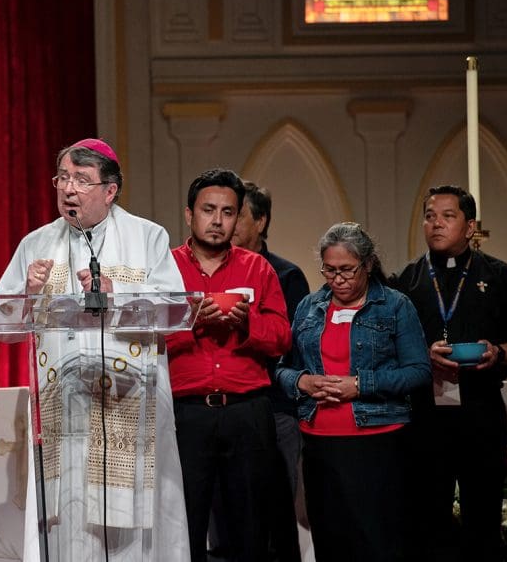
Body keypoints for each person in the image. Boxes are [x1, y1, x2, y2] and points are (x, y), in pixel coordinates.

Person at [0, 138, 190, 561]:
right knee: (72, 530)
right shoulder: (36, 244)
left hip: (132, 407)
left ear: (110, 190)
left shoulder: (147, 236)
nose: (68, 189)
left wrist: (117, 292)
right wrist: (28, 293)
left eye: (82, 180)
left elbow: (175, 311)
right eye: (63, 178)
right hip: (67, 415)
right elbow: (4, 327)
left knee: (136, 536)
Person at [277, 222, 430, 562]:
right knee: (332, 540)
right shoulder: (308, 307)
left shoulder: (395, 306)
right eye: (329, 271)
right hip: (319, 442)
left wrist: (360, 385)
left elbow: (419, 371)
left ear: (368, 264)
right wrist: (303, 381)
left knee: (376, 541)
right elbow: (281, 369)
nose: (338, 279)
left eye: (347, 270)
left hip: (377, 440)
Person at [167, 168, 291, 562]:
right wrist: (193, 321)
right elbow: (146, 340)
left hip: (247, 411)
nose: (218, 220)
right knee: (185, 525)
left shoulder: (258, 268)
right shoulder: (164, 268)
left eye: (228, 211)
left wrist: (246, 323)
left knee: (251, 526)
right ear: (189, 214)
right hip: (185, 415)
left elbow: (281, 337)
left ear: (238, 217)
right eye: (208, 210)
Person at [391, 185, 507, 562]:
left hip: (482, 415)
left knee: (484, 524)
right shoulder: (406, 282)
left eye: (447, 216)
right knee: (427, 524)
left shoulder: (501, 276)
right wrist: (421, 356)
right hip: (425, 419)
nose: (435, 224)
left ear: (470, 226)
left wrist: (499, 351)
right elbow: (389, 348)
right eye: (429, 216)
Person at [228, 181, 309, 562]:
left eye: (236, 213)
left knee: (276, 508)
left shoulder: (286, 275)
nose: (227, 222)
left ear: (260, 221)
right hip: (226, 406)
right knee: (230, 512)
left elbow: (291, 342)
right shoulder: (213, 271)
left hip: (275, 407)